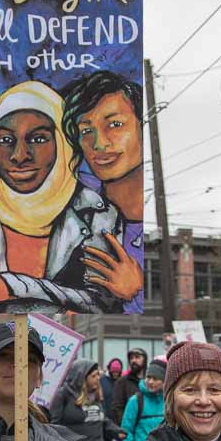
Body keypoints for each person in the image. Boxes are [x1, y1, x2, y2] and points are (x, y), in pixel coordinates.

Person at [0, 81, 126, 314]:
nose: (19, 156)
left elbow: (102, 305)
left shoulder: (97, 214)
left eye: (38, 139)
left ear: (62, 143)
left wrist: (8, 287)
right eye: (5, 140)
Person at [61, 70, 146, 313]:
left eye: (115, 125)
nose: (99, 144)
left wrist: (134, 293)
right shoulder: (70, 200)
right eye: (86, 131)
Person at [120, 358, 165, 441]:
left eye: (155, 378)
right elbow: (126, 431)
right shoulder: (135, 401)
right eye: (148, 377)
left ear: (164, 381)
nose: (151, 382)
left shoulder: (168, 401)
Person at [111, 348, 147, 426]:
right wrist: (126, 427)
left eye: (137, 357)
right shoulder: (122, 382)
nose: (133, 360)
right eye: (131, 358)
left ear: (145, 360)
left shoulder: (150, 382)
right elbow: (117, 408)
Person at [101, 358, 123, 425]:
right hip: (106, 417)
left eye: (117, 372)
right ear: (110, 371)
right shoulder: (102, 381)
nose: (115, 374)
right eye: (113, 372)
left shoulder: (122, 382)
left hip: (119, 419)